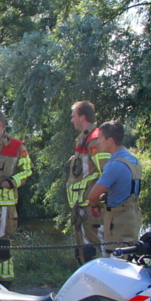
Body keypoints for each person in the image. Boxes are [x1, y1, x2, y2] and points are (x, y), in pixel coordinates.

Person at [0, 110, 32, 288]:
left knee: (3, 243)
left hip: (6, 205)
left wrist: (12, 182)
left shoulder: (18, 147)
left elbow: (27, 171)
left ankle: (5, 283)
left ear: (0, 125)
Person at [87, 121, 142, 256]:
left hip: (118, 223)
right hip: (133, 218)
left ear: (110, 140)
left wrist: (94, 206)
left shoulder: (114, 165)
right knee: (129, 258)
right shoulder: (133, 160)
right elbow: (126, 188)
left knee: (116, 262)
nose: (98, 142)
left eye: (100, 138)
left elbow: (92, 196)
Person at [67, 100, 110, 264]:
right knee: (82, 252)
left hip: (90, 208)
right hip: (81, 207)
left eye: (73, 116)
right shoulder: (83, 140)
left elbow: (107, 174)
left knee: (92, 252)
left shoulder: (95, 140)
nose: (72, 120)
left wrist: (95, 202)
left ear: (82, 117)